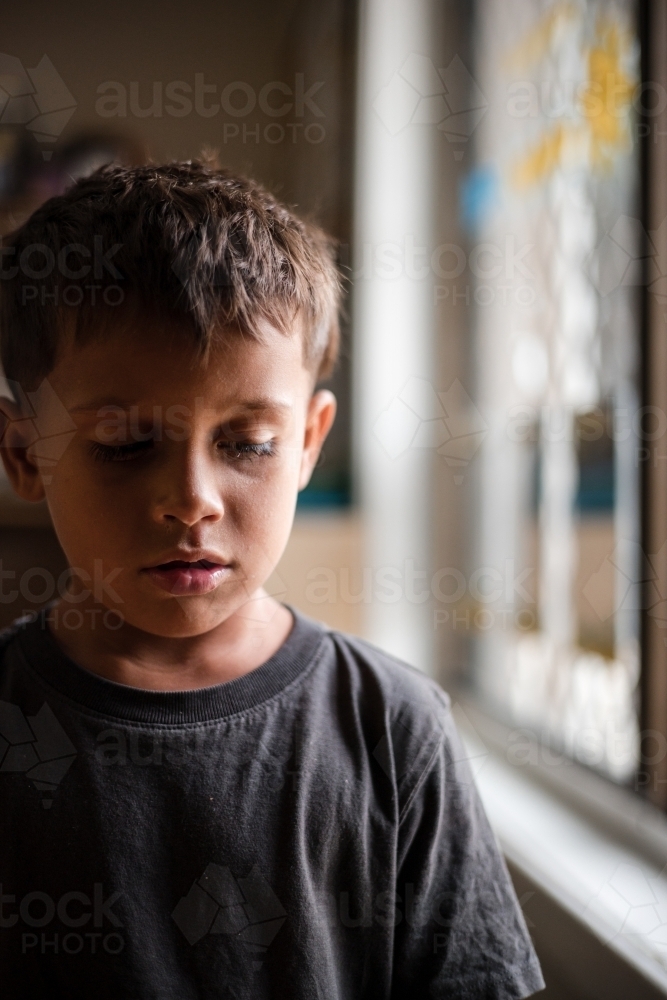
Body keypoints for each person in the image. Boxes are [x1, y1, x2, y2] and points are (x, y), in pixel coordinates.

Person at [0, 160, 544, 998]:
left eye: (246, 441)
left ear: (307, 443)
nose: (191, 501)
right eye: (124, 443)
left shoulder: (391, 733)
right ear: (23, 452)